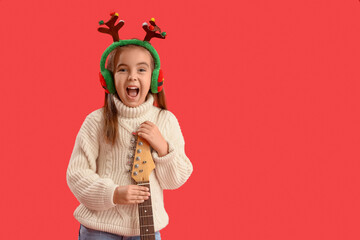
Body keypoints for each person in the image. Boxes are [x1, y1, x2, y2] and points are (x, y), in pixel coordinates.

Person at [66, 14, 193, 240]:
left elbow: (176, 180)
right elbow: (76, 174)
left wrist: (163, 148)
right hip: (100, 228)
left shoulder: (165, 120)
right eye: (123, 70)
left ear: (154, 79)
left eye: (142, 70)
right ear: (109, 78)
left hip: (146, 229)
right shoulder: (96, 121)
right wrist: (113, 194)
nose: (132, 76)